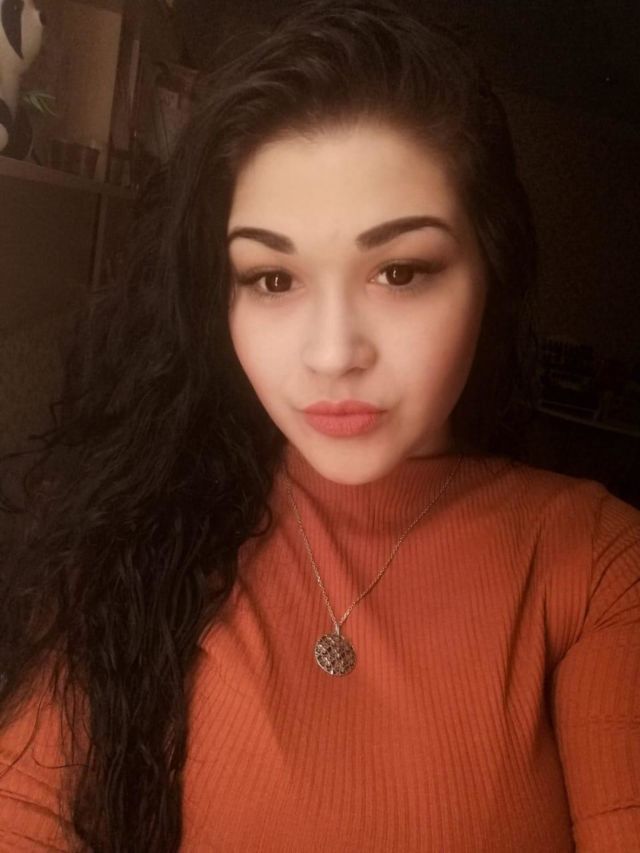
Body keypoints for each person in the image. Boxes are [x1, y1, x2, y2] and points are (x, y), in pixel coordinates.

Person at [0, 0, 638, 850]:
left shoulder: (593, 563)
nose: (333, 353)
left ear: (493, 268)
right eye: (272, 279)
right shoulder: (135, 528)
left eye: (400, 271)